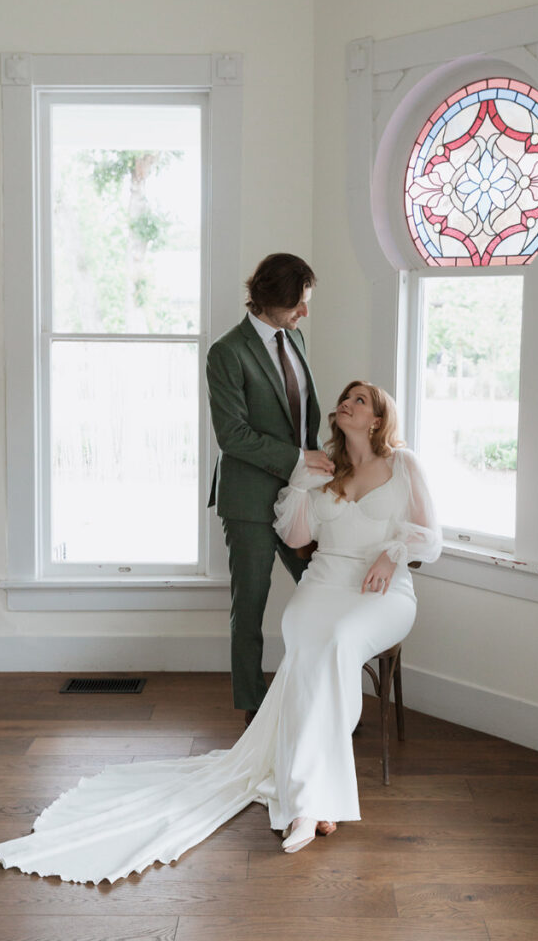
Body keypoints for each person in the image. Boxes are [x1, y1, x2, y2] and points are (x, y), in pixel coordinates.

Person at [0, 381, 441, 881]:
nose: (347, 403)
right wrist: (296, 484)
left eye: (360, 400)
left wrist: (391, 553)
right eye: (346, 397)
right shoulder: (324, 471)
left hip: (381, 593)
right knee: (306, 637)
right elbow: (297, 537)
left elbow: (430, 535)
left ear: (378, 419)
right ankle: (314, 796)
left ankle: (311, 802)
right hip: (323, 587)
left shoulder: (405, 465)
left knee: (335, 644)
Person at [206, 252, 334, 724]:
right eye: (297, 304)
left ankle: (326, 696)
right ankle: (254, 710)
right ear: (266, 300)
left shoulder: (295, 338)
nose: (305, 313)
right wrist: (298, 460)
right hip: (249, 501)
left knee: (322, 589)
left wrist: (317, 467)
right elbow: (232, 435)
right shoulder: (227, 352)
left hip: (301, 497)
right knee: (252, 608)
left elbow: (300, 421)